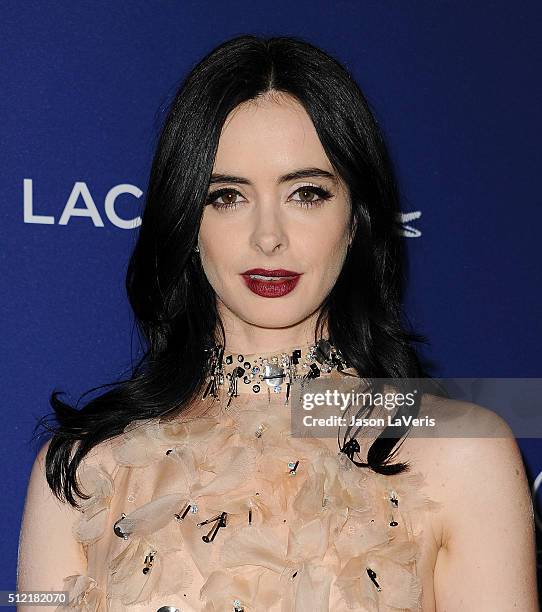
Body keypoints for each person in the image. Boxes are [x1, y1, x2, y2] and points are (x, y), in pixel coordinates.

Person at [17, 35, 538, 611]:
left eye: (306, 193)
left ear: (358, 218)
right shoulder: (81, 470)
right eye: (227, 197)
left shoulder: (461, 453)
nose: (269, 236)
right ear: (187, 221)